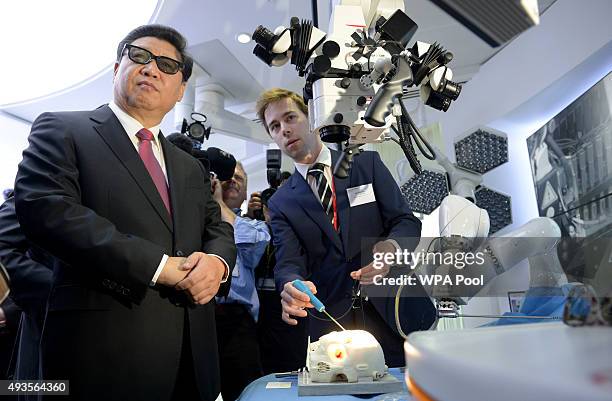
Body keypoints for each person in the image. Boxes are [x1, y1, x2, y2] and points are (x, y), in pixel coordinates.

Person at [13, 24, 236, 401]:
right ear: (118, 68)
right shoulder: (63, 129)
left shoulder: (189, 166)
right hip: (103, 357)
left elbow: (216, 226)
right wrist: (158, 266)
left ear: (181, 90)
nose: (151, 69)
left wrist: (217, 263)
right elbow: (47, 210)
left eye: (167, 65)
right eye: (140, 56)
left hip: (194, 358)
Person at [255, 88, 436, 367]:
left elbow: (405, 221)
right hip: (333, 323)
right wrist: (290, 283)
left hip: (393, 310)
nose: (284, 131)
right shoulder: (282, 202)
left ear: (312, 118)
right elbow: (288, 260)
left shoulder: (366, 165)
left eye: (290, 118)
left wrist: (389, 249)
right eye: (275, 127)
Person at [212, 162, 268, 400]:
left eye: (240, 178)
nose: (233, 180)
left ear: (246, 192)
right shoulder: (193, 219)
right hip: (198, 315)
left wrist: (218, 203)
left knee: (244, 391)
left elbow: (254, 241)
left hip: (237, 322)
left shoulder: (255, 226)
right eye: (227, 176)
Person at [254, 187, 309, 374]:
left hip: (292, 312)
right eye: (268, 207)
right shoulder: (256, 231)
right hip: (264, 316)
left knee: (293, 364)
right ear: (263, 209)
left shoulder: (296, 233)